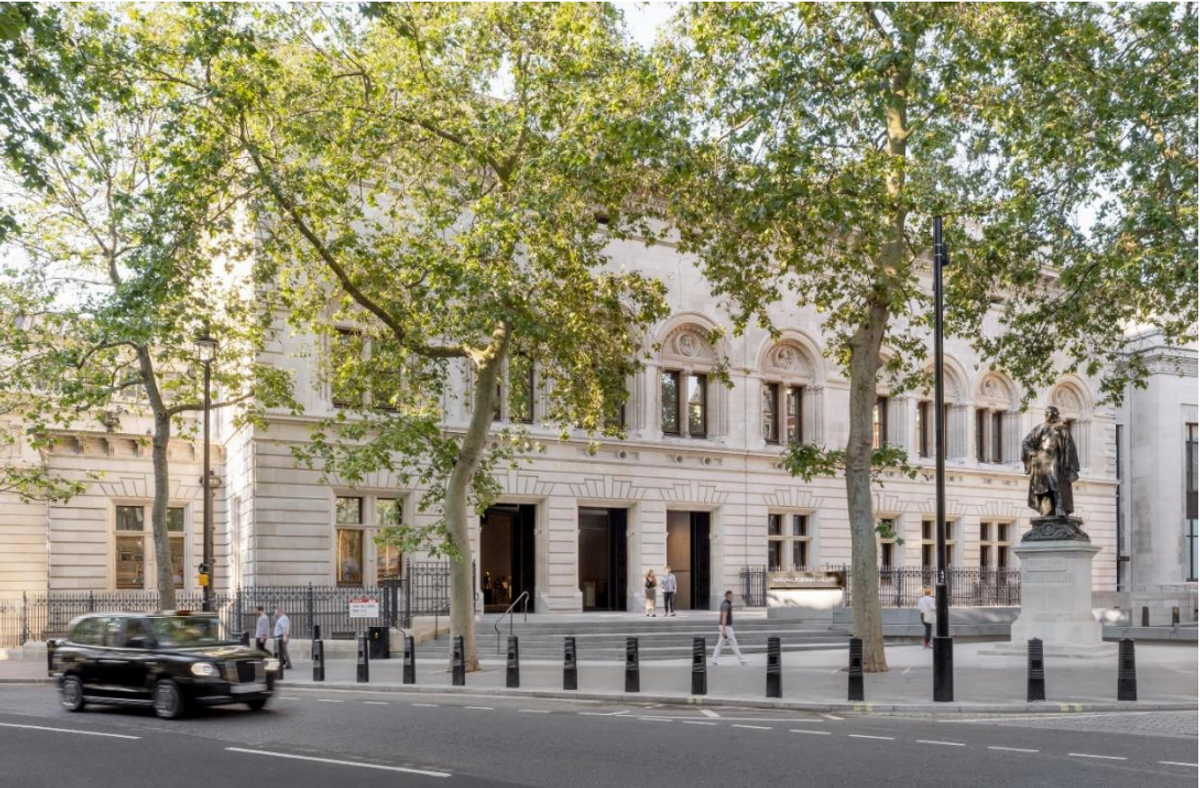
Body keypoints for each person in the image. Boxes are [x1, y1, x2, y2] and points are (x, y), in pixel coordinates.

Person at [711, 590, 747, 665]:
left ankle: (714, 659)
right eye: (731, 595)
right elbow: (724, 618)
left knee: (720, 644)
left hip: (724, 627)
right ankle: (741, 659)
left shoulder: (727, 604)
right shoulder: (726, 605)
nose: (733, 596)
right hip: (726, 627)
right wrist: (724, 630)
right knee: (733, 642)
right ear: (728, 596)